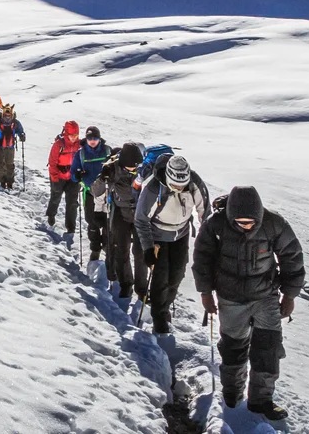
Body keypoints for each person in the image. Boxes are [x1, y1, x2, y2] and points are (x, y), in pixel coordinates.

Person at [193, 186, 304, 421]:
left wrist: (290, 295)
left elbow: (292, 257)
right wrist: (205, 293)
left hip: (266, 296)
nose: (247, 227)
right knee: (233, 348)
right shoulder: (216, 224)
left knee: (268, 349)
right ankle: (232, 395)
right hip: (230, 298)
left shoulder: (274, 224)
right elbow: (202, 258)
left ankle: (261, 401)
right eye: (241, 222)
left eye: (251, 222)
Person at [135, 154, 209, 334]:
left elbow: (205, 213)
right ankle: (159, 319)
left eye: (181, 185)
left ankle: (164, 306)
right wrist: (147, 248)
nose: (178, 188)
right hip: (158, 236)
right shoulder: (153, 188)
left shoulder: (194, 184)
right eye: (174, 185)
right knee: (160, 278)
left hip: (181, 234)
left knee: (177, 275)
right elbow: (141, 219)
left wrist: (208, 241)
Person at [94, 142, 146, 300]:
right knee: (120, 250)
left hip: (140, 215)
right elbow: (95, 190)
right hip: (120, 213)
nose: (134, 170)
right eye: (131, 167)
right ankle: (126, 285)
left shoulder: (144, 169)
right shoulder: (113, 168)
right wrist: (103, 178)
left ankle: (142, 289)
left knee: (141, 253)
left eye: (136, 166)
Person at [73, 126, 112, 262]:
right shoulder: (81, 153)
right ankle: (95, 248)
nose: (92, 141)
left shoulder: (107, 151)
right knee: (92, 221)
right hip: (89, 192)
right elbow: (73, 173)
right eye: (90, 138)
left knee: (108, 221)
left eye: (95, 138)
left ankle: (107, 247)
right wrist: (77, 175)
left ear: (99, 138)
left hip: (106, 193)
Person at [46, 120, 82, 234]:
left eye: (76, 135)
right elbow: (52, 162)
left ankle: (71, 227)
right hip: (59, 177)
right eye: (71, 135)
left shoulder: (80, 145)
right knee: (55, 197)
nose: (74, 138)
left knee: (72, 203)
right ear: (66, 134)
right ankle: (51, 215)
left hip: (73, 178)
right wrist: (55, 178)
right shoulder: (59, 144)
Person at [0, 105, 24, 190]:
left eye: (9, 115)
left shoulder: (15, 122)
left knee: (9, 165)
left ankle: (9, 183)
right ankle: (2, 181)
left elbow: (20, 130)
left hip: (9, 146)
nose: (8, 116)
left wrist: (22, 135)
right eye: (6, 115)